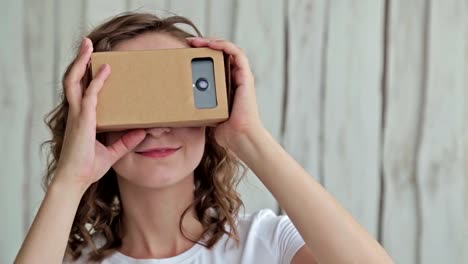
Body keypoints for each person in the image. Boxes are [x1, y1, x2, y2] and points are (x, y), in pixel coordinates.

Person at [14, 12, 393, 264]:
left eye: (175, 98)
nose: (159, 126)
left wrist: (248, 136)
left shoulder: (266, 244)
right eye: (135, 101)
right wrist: (71, 178)